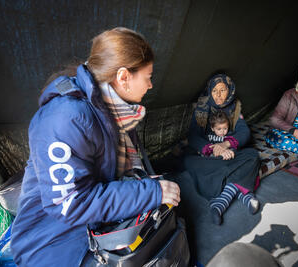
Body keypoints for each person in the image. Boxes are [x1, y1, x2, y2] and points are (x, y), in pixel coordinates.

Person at [10, 27, 181, 267]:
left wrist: (146, 183)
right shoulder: (64, 119)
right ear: (123, 77)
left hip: (93, 228)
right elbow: (71, 205)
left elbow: (113, 172)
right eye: (148, 76)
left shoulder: (115, 110)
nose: (151, 85)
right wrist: (150, 192)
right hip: (51, 243)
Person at [185, 74, 260, 225]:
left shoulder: (235, 107)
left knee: (252, 155)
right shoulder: (202, 107)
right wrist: (211, 149)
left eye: (223, 90)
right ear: (210, 91)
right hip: (209, 156)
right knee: (188, 161)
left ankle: (219, 203)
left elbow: (244, 132)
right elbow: (193, 136)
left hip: (229, 154)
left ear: (230, 90)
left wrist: (226, 145)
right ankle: (243, 194)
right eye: (215, 91)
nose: (218, 95)